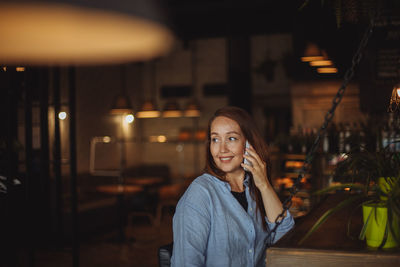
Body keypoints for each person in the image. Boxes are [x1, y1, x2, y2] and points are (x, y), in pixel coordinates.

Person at [171, 106, 294, 267]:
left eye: (231, 138)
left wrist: (264, 185)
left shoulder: (254, 189)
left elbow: (286, 239)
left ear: (249, 144)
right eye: (215, 139)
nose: (222, 149)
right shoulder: (200, 194)